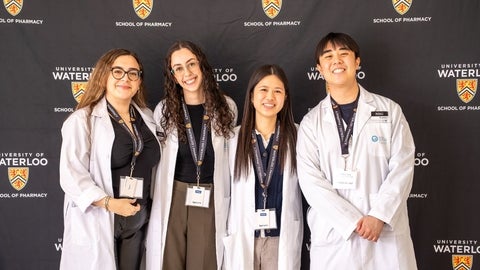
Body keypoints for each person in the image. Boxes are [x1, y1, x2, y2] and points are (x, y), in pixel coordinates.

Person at [296, 32, 417, 269]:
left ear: (357, 61)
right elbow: (311, 181)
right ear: (319, 68)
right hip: (337, 235)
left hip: (385, 233)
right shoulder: (311, 122)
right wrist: (350, 221)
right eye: (328, 56)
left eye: (344, 54)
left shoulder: (389, 110)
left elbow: (402, 166)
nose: (337, 60)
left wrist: (379, 216)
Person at [59, 48, 161, 270]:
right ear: (104, 74)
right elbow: (71, 175)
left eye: (133, 73)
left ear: (139, 81)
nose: (126, 78)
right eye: (118, 71)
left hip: (137, 221)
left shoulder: (148, 118)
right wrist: (110, 203)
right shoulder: (82, 120)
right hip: (102, 217)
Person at [145, 40, 237, 270]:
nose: (187, 73)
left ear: (202, 66)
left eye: (191, 64)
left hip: (209, 196)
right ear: (173, 76)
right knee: (169, 262)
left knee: (204, 263)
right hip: (173, 196)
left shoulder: (227, 107)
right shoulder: (164, 110)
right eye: (178, 68)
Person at [224, 64, 303, 270]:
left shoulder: (298, 137)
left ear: (285, 99)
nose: (270, 97)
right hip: (244, 235)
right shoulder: (232, 139)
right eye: (264, 90)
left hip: (280, 238)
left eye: (278, 91)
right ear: (251, 96)